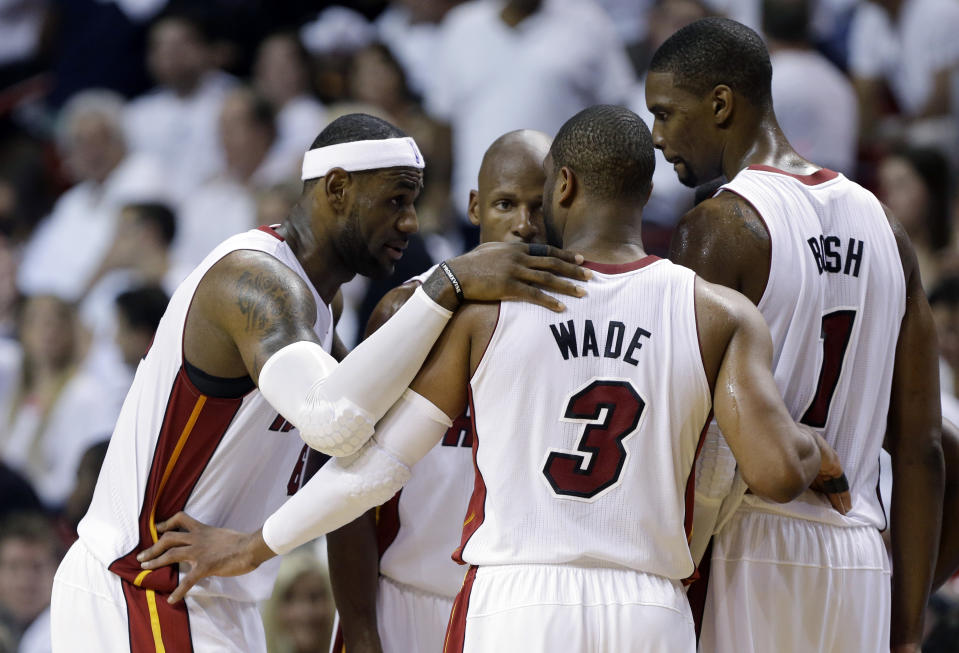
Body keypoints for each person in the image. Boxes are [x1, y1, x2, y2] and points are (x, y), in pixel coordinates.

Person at [136, 105, 846, 652]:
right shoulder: (715, 313)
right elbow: (752, 469)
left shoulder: (485, 315)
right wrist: (814, 448)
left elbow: (373, 465)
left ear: (562, 186)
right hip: (644, 602)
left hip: (518, 597)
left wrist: (256, 542)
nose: (524, 221)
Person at [49, 112, 589, 653]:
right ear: (337, 188)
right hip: (143, 581)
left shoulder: (319, 305)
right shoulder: (254, 280)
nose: (409, 223)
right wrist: (448, 283)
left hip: (214, 587)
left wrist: (259, 546)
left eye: (414, 204)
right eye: (396, 200)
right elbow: (331, 422)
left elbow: (367, 440)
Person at [644, 17, 943, 652]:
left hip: (748, 548)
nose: (657, 137)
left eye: (667, 113)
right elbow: (923, 447)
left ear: (720, 103)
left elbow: (683, 431)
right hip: (860, 554)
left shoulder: (717, 228)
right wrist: (909, 631)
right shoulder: (887, 228)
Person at [328, 129, 553, 653]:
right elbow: (348, 485)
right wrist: (361, 627)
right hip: (402, 599)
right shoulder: (403, 310)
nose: (522, 225)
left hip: (512, 607)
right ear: (475, 207)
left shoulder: (579, 317)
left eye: (538, 208)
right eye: (505, 204)